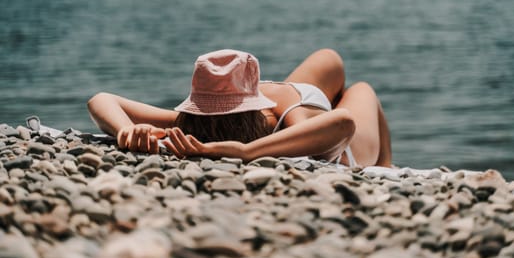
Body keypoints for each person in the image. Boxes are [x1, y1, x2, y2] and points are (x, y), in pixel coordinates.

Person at [87, 49, 392, 168]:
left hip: (291, 98)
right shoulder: (195, 125)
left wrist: (125, 130)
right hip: (297, 106)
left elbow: (101, 99)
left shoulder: (193, 125)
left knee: (331, 59)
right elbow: (343, 124)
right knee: (362, 89)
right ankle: (385, 167)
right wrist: (247, 152)